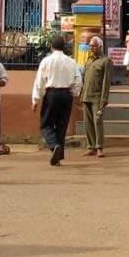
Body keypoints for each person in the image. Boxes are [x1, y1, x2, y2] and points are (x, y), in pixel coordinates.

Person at [32, 36, 82, 166]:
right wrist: (74, 93)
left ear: (51, 47)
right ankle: (58, 157)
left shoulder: (47, 61)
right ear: (64, 47)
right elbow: (78, 80)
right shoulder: (71, 62)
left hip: (52, 93)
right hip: (66, 94)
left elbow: (40, 81)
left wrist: (35, 99)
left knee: (45, 124)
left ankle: (54, 146)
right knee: (62, 125)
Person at [79, 36, 112, 158]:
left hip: (98, 97)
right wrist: (81, 94)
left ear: (100, 47)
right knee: (88, 123)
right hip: (86, 96)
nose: (91, 48)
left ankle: (99, 147)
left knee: (97, 121)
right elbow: (83, 79)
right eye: (90, 46)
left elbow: (106, 81)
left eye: (93, 46)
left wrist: (104, 98)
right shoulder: (88, 61)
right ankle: (90, 146)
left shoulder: (106, 61)